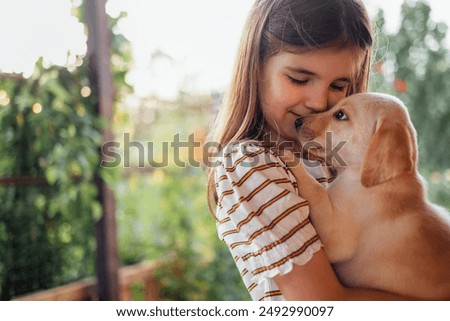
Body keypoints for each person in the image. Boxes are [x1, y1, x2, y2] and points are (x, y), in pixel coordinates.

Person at [207, 0, 411, 301]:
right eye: (299, 79)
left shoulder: (338, 160)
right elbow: (322, 303)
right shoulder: (250, 163)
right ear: (256, 68)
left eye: (339, 85)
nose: (319, 102)